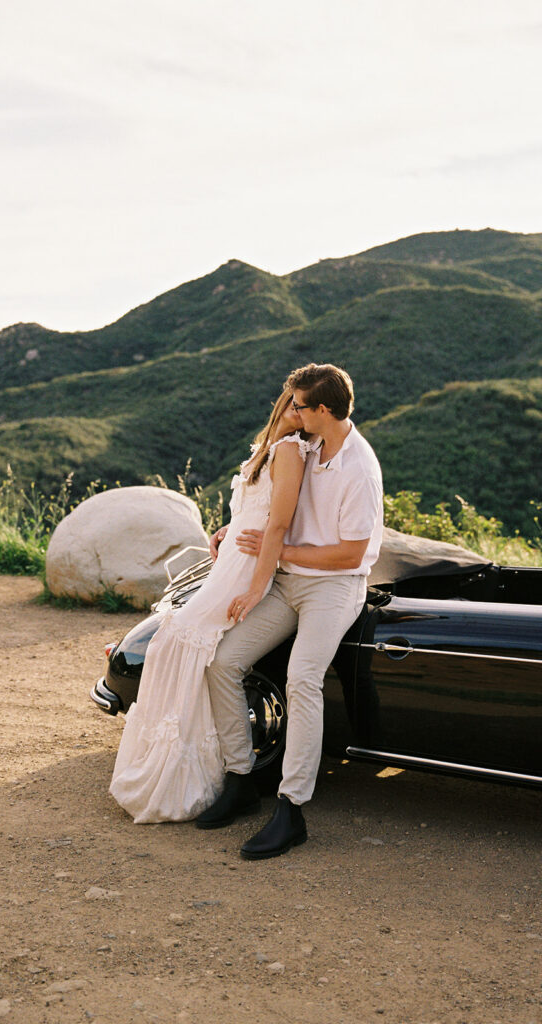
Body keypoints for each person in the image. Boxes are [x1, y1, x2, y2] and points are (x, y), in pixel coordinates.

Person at [197, 363, 384, 860]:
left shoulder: (360, 469)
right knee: (223, 662)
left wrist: (279, 555)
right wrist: (234, 534)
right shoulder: (307, 445)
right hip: (288, 583)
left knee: (303, 676)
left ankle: (292, 807)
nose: (290, 411)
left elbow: (350, 555)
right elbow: (272, 507)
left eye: (299, 405)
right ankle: (241, 780)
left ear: (323, 409)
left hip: (336, 588)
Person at [109, 387, 311, 823]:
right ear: (283, 401)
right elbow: (256, 511)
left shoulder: (294, 450)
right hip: (232, 558)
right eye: (296, 405)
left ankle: (195, 773)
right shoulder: (268, 446)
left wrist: (257, 586)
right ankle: (193, 770)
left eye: (310, 408)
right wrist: (227, 528)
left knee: (178, 647)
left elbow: (279, 522)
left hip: (250, 565)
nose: (302, 415)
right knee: (180, 650)